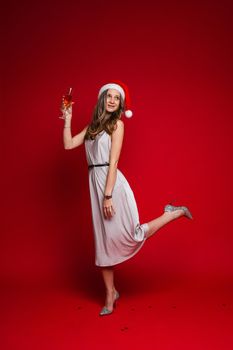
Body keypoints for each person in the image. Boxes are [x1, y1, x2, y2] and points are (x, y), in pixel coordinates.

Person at [60, 81, 193, 316]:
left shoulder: (117, 125)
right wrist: (68, 119)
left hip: (111, 186)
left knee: (132, 234)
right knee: (103, 242)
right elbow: (69, 144)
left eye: (117, 98)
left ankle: (172, 213)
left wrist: (108, 195)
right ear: (103, 99)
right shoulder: (92, 126)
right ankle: (111, 294)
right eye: (109, 96)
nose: (112, 100)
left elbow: (113, 162)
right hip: (95, 183)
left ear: (120, 104)